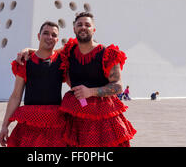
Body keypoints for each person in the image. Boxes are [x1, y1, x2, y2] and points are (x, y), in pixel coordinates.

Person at [17, 12, 136, 147]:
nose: (83, 27)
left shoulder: (107, 53)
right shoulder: (69, 50)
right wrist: (29, 50)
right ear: (74, 29)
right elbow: (50, 51)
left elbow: (118, 86)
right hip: (75, 114)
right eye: (80, 24)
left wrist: (91, 92)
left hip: (103, 116)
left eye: (87, 25)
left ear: (93, 29)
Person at [0, 21, 67, 147]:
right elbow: (16, 96)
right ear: (38, 36)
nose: (49, 37)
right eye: (45, 33)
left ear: (57, 39)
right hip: (30, 123)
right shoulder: (25, 62)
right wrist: (4, 126)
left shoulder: (62, 61)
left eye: (53, 35)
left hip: (55, 123)